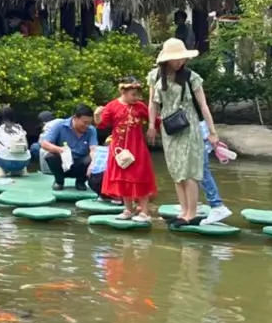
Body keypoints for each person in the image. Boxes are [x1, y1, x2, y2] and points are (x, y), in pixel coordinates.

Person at [148, 38, 220, 227]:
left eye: (182, 58)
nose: (180, 61)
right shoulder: (156, 76)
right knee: (176, 170)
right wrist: (151, 125)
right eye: (176, 58)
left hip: (189, 126)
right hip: (169, 128)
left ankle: (191, 213)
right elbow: (152, 104)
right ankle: (183, 210)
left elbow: (203, 106)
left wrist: (212, 132)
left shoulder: (190, 77)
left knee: (189, 170)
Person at [96, 78, 157, 222]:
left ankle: (145, 212)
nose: (136, 98)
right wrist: (96, 115)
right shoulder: (112, 106)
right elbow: (101, 125)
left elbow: (154, 118)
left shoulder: (140, 106)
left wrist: (152, 127)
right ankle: (128, 209)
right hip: (119, 148)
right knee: (123, 178)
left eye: (137, 94)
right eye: (133, 94)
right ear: (123, 92)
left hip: (137, 147)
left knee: (140, 177)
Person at [40, 105, 98, 191]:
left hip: (80, 163)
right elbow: (44, 143)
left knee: (91, 159)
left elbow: (93, 149)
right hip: (63, 162)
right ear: (75, 118)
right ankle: (59, 181)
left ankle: (80, 182)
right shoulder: (60, 125)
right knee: (51, 156)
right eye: (84, 122)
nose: (87, 125)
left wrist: (93, 163)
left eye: (89, 123)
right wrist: (60, 150)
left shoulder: (91, 130)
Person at [199, 120, 233, 225]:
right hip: (193, 134)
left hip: (198, 134)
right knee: (195, 172)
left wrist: (212, 133)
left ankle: (217, 206)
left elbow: (205, 111)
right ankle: (192, 205)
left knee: (202, 171)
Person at [0, 107, 30, 176]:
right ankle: (21, 170)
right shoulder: (19, 127)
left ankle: (1, 168)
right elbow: (27, 146)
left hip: (6, 161)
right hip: (23, 161)